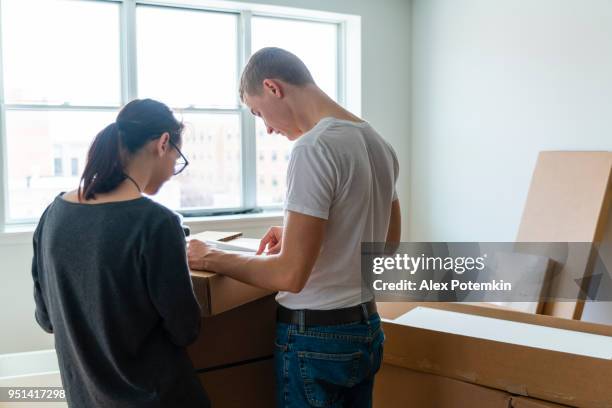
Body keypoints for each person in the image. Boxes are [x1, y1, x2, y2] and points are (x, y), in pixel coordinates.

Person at [188, 47, 401, 407]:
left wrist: (212, 257)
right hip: (365, 329)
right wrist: (304, 234)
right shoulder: (379, 144)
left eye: (258, 113)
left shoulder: (314, 148)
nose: (268, 128)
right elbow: (387, 244)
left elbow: (290, 275)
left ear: (273, 87)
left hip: (316, 339)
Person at [31, 99, 210, 408]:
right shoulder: (157, 223)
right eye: (176, 159)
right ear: (163, 144)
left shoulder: (53, 215)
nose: (172, 172)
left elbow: (47, 319)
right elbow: (185, 330)